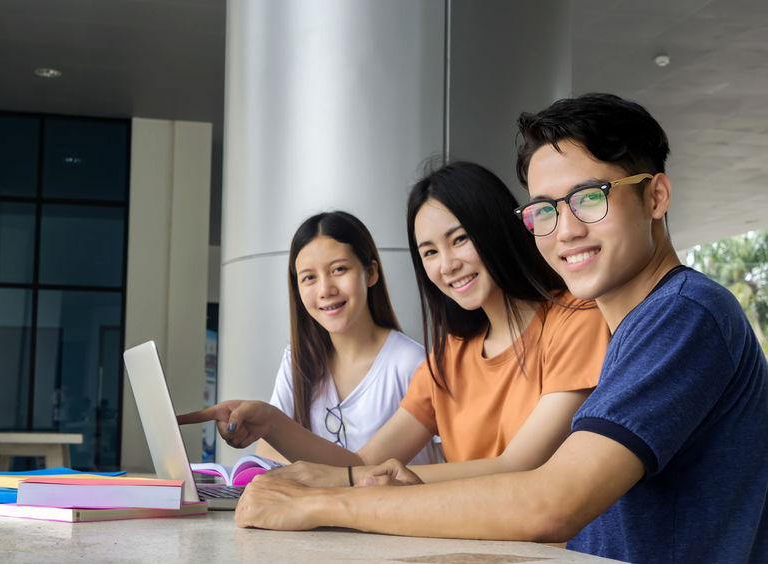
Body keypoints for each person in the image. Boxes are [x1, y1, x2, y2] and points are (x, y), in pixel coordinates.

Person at [235, 95, 768, 564]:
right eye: (546, 210)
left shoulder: (683, 314)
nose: (568, 229)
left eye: (590, 197)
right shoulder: (637, 324)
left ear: (655, 197)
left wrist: (325, 503)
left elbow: (550, 501)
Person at [179, 161, 609, 487]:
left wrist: (383, 481)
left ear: (497, 228)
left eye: (460, 239)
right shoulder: (449, 356)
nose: (448, 265)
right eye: (430, 252)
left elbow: (520, 467)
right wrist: (273, 422)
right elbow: (365, 463)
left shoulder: (576, 319)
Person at [192, 210, 438, 465]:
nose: (325, 290)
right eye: (309, 277)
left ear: (371, 273)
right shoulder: (297, 361)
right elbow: (267, 455)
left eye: (339, 269)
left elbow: (364, 469)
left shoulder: (413, 364)